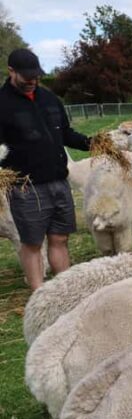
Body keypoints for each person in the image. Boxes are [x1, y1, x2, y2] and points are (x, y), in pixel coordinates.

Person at [0, 48, 92, 289]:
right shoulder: (2, 104)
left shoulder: (50, 99)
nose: (32, 82)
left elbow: (66, 133)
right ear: (11, 71)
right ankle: (40, 296)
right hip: (25, 187)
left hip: (59, 182)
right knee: (32, 243)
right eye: (26, 77)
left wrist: (92, 143)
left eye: (36, 77)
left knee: (60, 238)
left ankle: (64, 291)